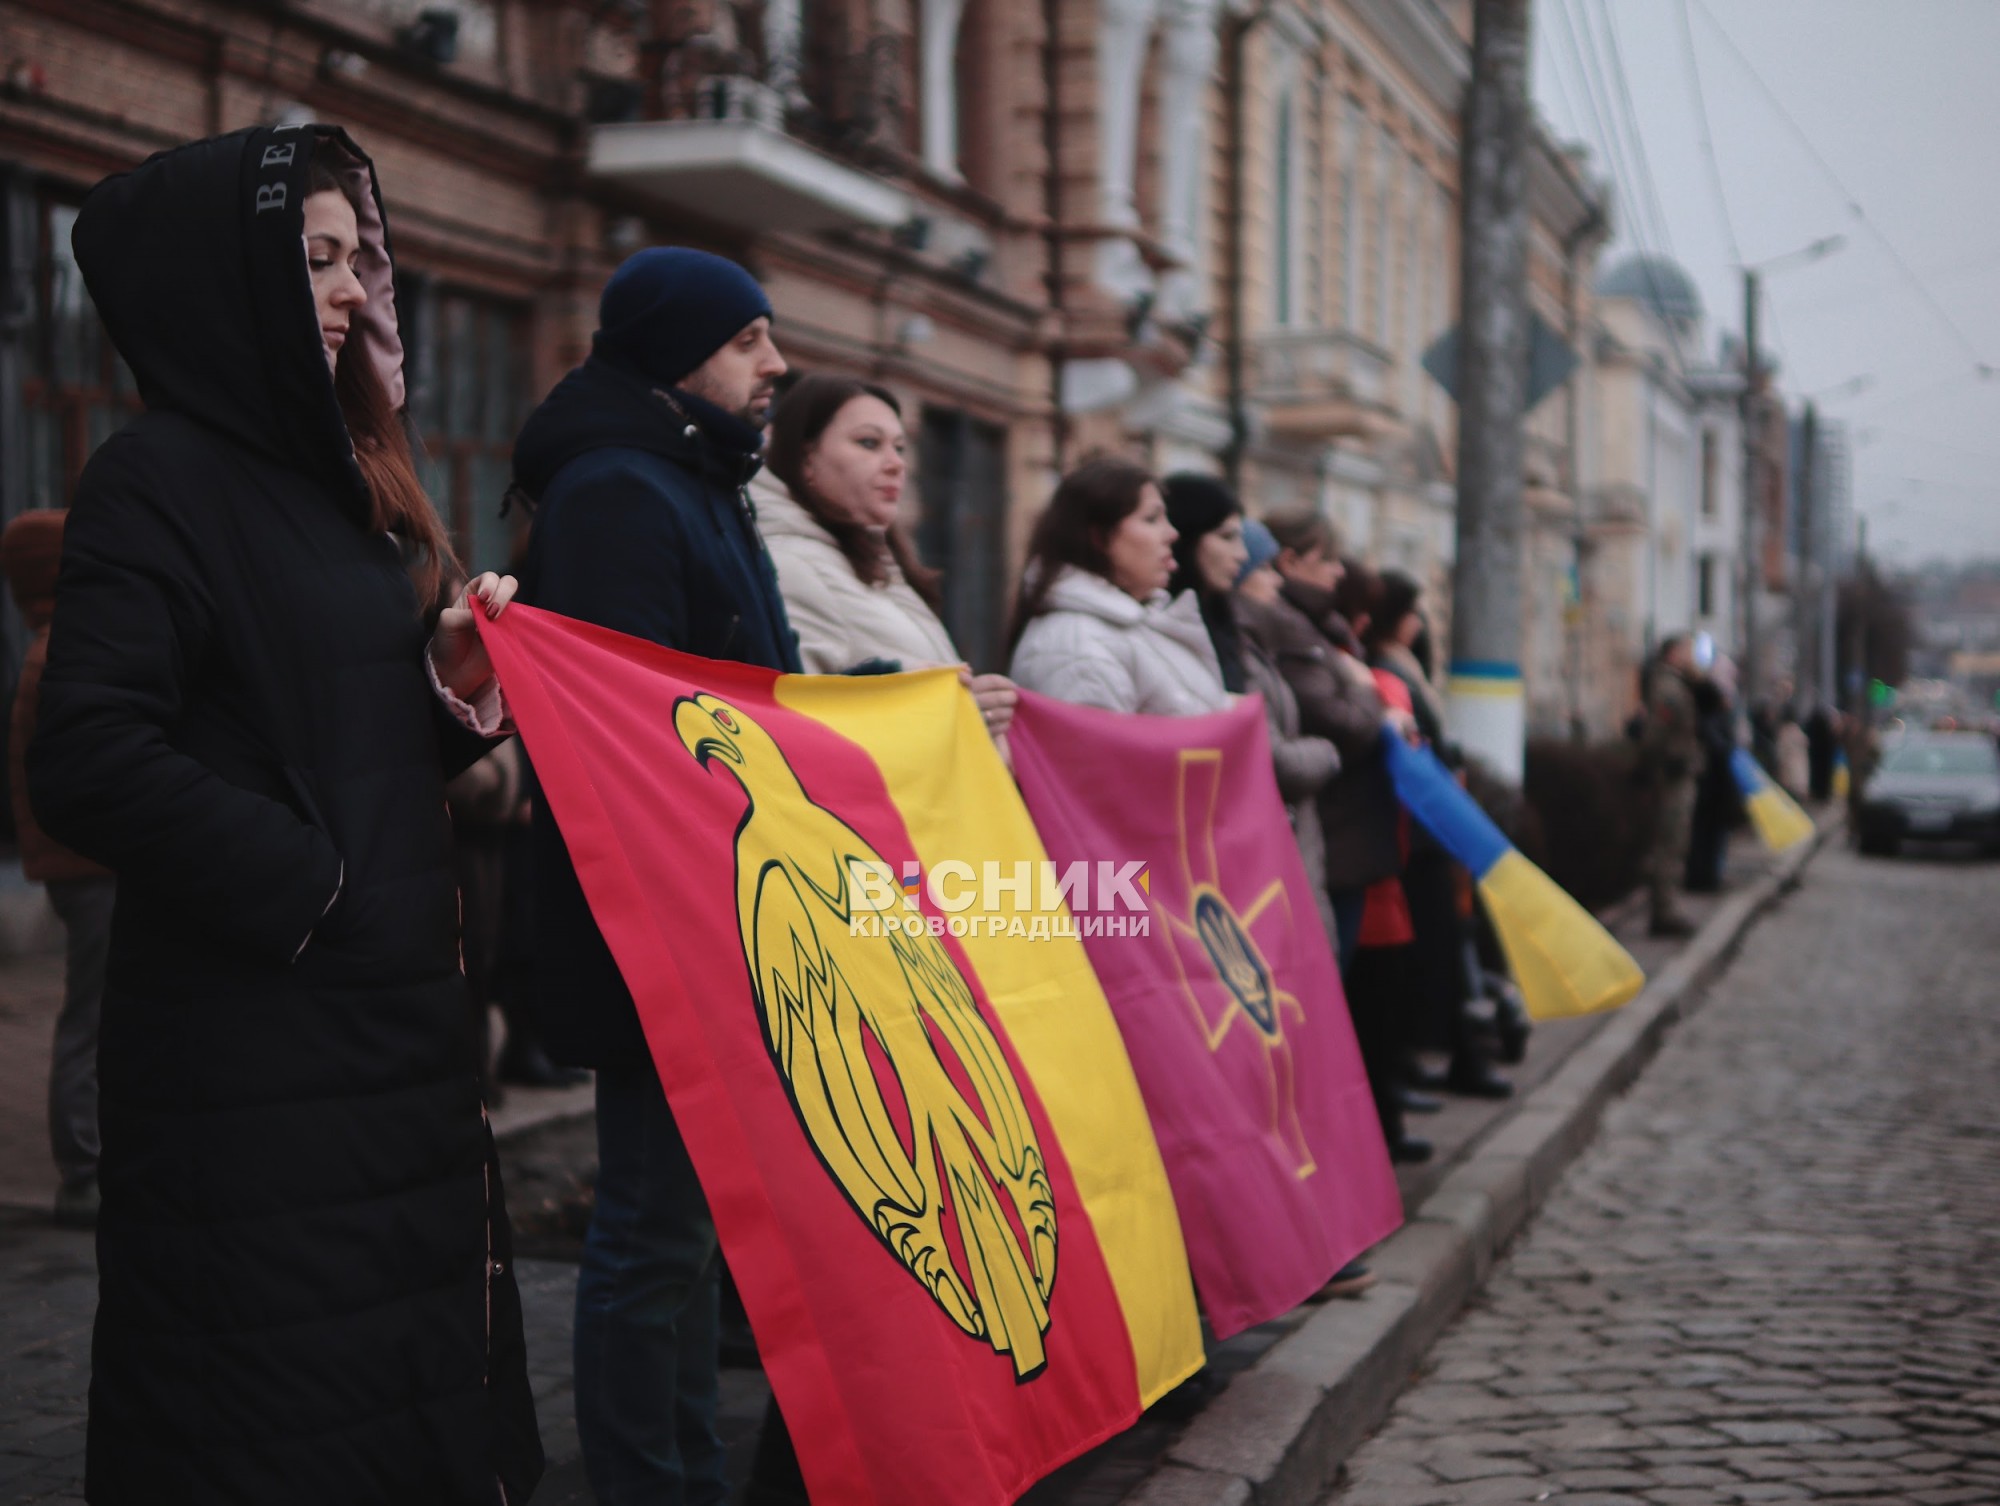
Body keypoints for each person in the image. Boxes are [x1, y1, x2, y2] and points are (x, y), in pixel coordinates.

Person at [26, 126, 540, 1503]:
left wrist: (448, 683)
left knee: (396, 1399)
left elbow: (329, 745)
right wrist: (317, 890)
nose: (352, 291)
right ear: (228, 280)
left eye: (354, 260)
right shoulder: (157, 481)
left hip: (392, 1049)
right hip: (253, 1059)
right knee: (268, 1416)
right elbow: (86, 757)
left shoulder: (341, 488)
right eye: (315, 261)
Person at [512, 245, 793, 1505]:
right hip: (666, 916)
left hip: (729, 902)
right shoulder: (619, 491)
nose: (775, 362)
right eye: (746, 341)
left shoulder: (696, 475)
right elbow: (633, 733)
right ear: (679, 354)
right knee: (651, 1226)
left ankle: (683, 1471)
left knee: (691, 1228)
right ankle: (646, 1483)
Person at [754, 372, 1017, 737]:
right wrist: (947, 712)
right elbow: (800, 720)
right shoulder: (792, 566)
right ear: (806, 457)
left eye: (899, 447)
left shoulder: (874, 562)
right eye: (869, 443)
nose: (896, 464)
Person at [2, 510, 115, 1229]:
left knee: (98, 1010)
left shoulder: (58, 647)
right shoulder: (62, 655)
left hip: (82, 865)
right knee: (93, 1015)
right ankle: (83, 1172)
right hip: (89, 866)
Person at [1363, 571, 1511, 1102]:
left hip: (1432, 830)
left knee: (1448, 943)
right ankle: (1437, 1059)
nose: (1419, 622)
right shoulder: (1386, 672)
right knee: (1432, 947)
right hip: (1420, 832)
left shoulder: (1405, 667)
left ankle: (1443, 1056)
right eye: (1413, 612)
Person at [1257, 511, 1404, 971]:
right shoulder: (1289, 626)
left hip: (1338, 832)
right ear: (1290, 561)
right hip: (1329, 826)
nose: (1338, 571)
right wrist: (1366, 690)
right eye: (1327, 559)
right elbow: (1342, 723)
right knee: (1320, 975)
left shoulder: (1316, 624)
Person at [1008, 457, 1230, 716]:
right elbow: (1092, 742)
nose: (1172, 534)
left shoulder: (1131, 623)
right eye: (1151, 519)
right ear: (1099, 537)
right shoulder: (1078, 646)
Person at [1161, 471, 1251, 692]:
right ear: (1186, 538)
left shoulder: (1225, 618)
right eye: (1226, 537)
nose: (1242, 555)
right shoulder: (1156, 622)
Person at [1640, 634, 1703, 937]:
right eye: (1687, 651)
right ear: (1673, 654)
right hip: (1672, 775)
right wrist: (1660, 762)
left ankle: (1666, 907)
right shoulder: (1668, 687)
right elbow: (1657, 733)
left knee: (1675, 842)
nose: (1692, 657)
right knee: (1670, 842)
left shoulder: (1677, 684)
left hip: (1676, 772)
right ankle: (1663, 911)